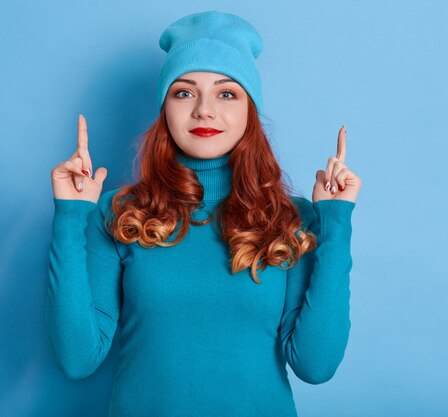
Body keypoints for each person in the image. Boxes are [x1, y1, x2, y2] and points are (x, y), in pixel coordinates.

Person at [46, 10, 361, 417]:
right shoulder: (120, 212)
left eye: (227, 93)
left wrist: (336, 220)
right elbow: (77, 358)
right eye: (184, 92)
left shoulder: (291, 219)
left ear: (250, 110)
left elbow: (315, 366)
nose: (204, 111)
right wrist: (71, 216)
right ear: (165, 109)